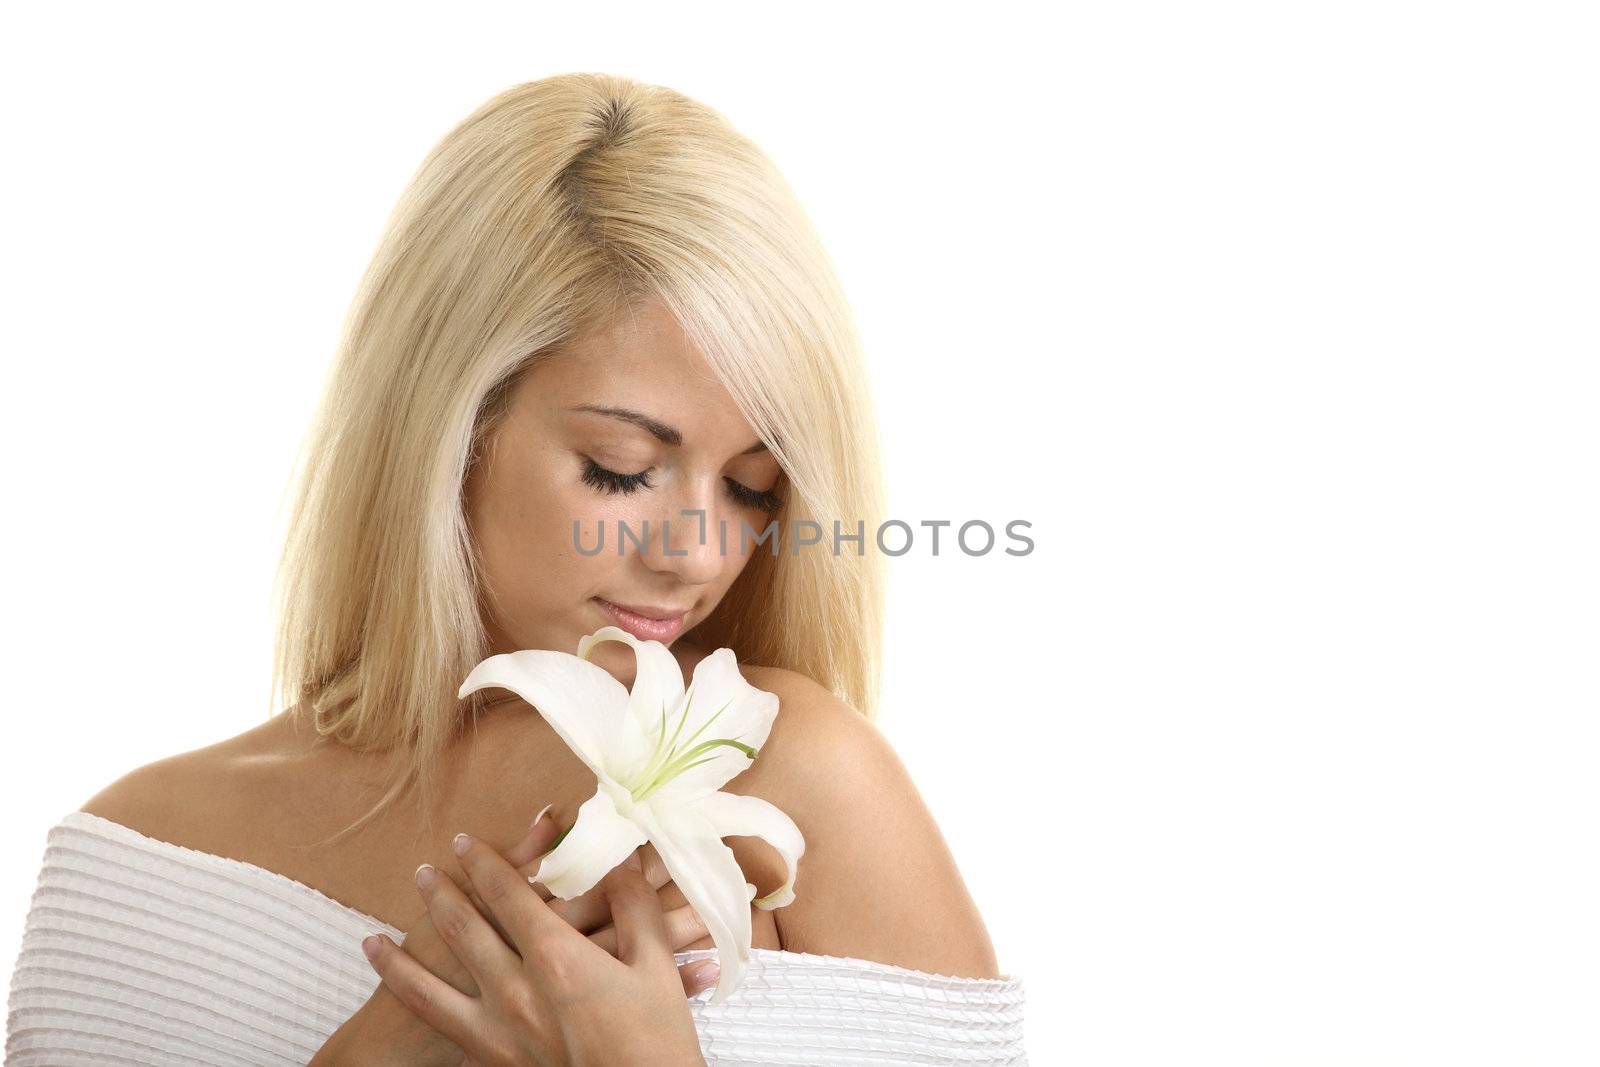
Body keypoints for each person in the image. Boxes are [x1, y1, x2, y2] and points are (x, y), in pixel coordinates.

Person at [5, 73, 1028, 1065]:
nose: (699, 553)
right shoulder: (131, 860)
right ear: (446, 427)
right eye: (620, 470)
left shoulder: (804, 784)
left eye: (754, 488)